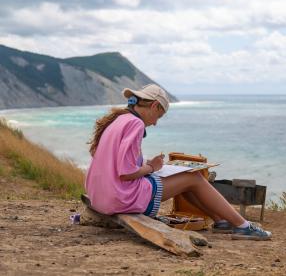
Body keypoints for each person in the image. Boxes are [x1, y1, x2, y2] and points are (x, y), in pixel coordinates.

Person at [85, 83, 271, 241]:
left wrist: (146, 164)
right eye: (159, 116)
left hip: (102, 196)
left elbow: (113, 162)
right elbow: (125, 173)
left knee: (185, 180)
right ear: (155, 106)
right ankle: (243, 226)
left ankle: (221, 221)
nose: (156, 123)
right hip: (121, 197)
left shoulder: (119, 120)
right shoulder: (136, 124)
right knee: (195, 178)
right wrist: (151, 167)